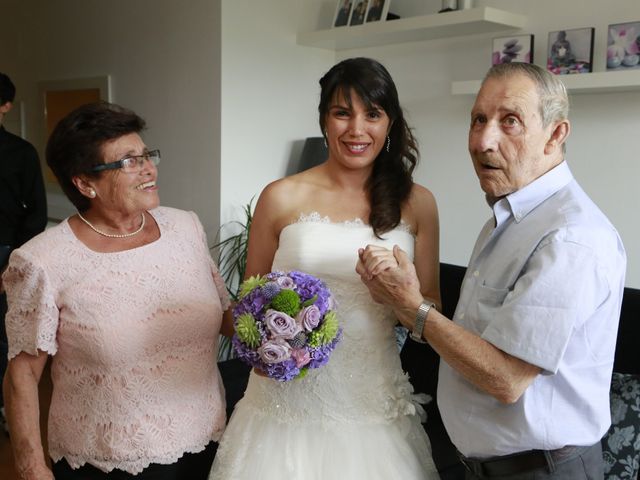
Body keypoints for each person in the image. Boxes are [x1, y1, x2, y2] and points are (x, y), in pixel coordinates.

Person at [357, 62, 626, 480]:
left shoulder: (571, 237)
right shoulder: (505, 219)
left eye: (510, 122)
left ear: (556, 135)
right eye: (478, 120)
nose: (483, 141)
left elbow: (506, 379)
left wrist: (413, 309)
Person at [209, 57, 441, 479]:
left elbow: (432, 308)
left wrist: (399, 296)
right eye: (342, 113)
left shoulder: (418, 202)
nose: (357, 129)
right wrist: (262, 347)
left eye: (372, 114)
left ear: (390, 122)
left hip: (372, 403)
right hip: (284, 405)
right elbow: (248, 302)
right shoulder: (280, 196)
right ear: (323, 120)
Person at [2, 102, 230, 480]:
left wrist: (285, 316)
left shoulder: (185, 227)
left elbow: (224, 316)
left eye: (147, 155)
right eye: (128, 161)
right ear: (84, 183)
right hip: (107, 461)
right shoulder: (43, 260)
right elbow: (22, 374)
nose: (149, 169)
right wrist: (31, 467)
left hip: (206, 440)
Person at [0, 72, 47, 433]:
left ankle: (3, 407)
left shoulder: (21, 153)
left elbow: (36, 216)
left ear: (6, 106)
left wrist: (11, 265)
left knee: (3, 335)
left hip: (5, 253)